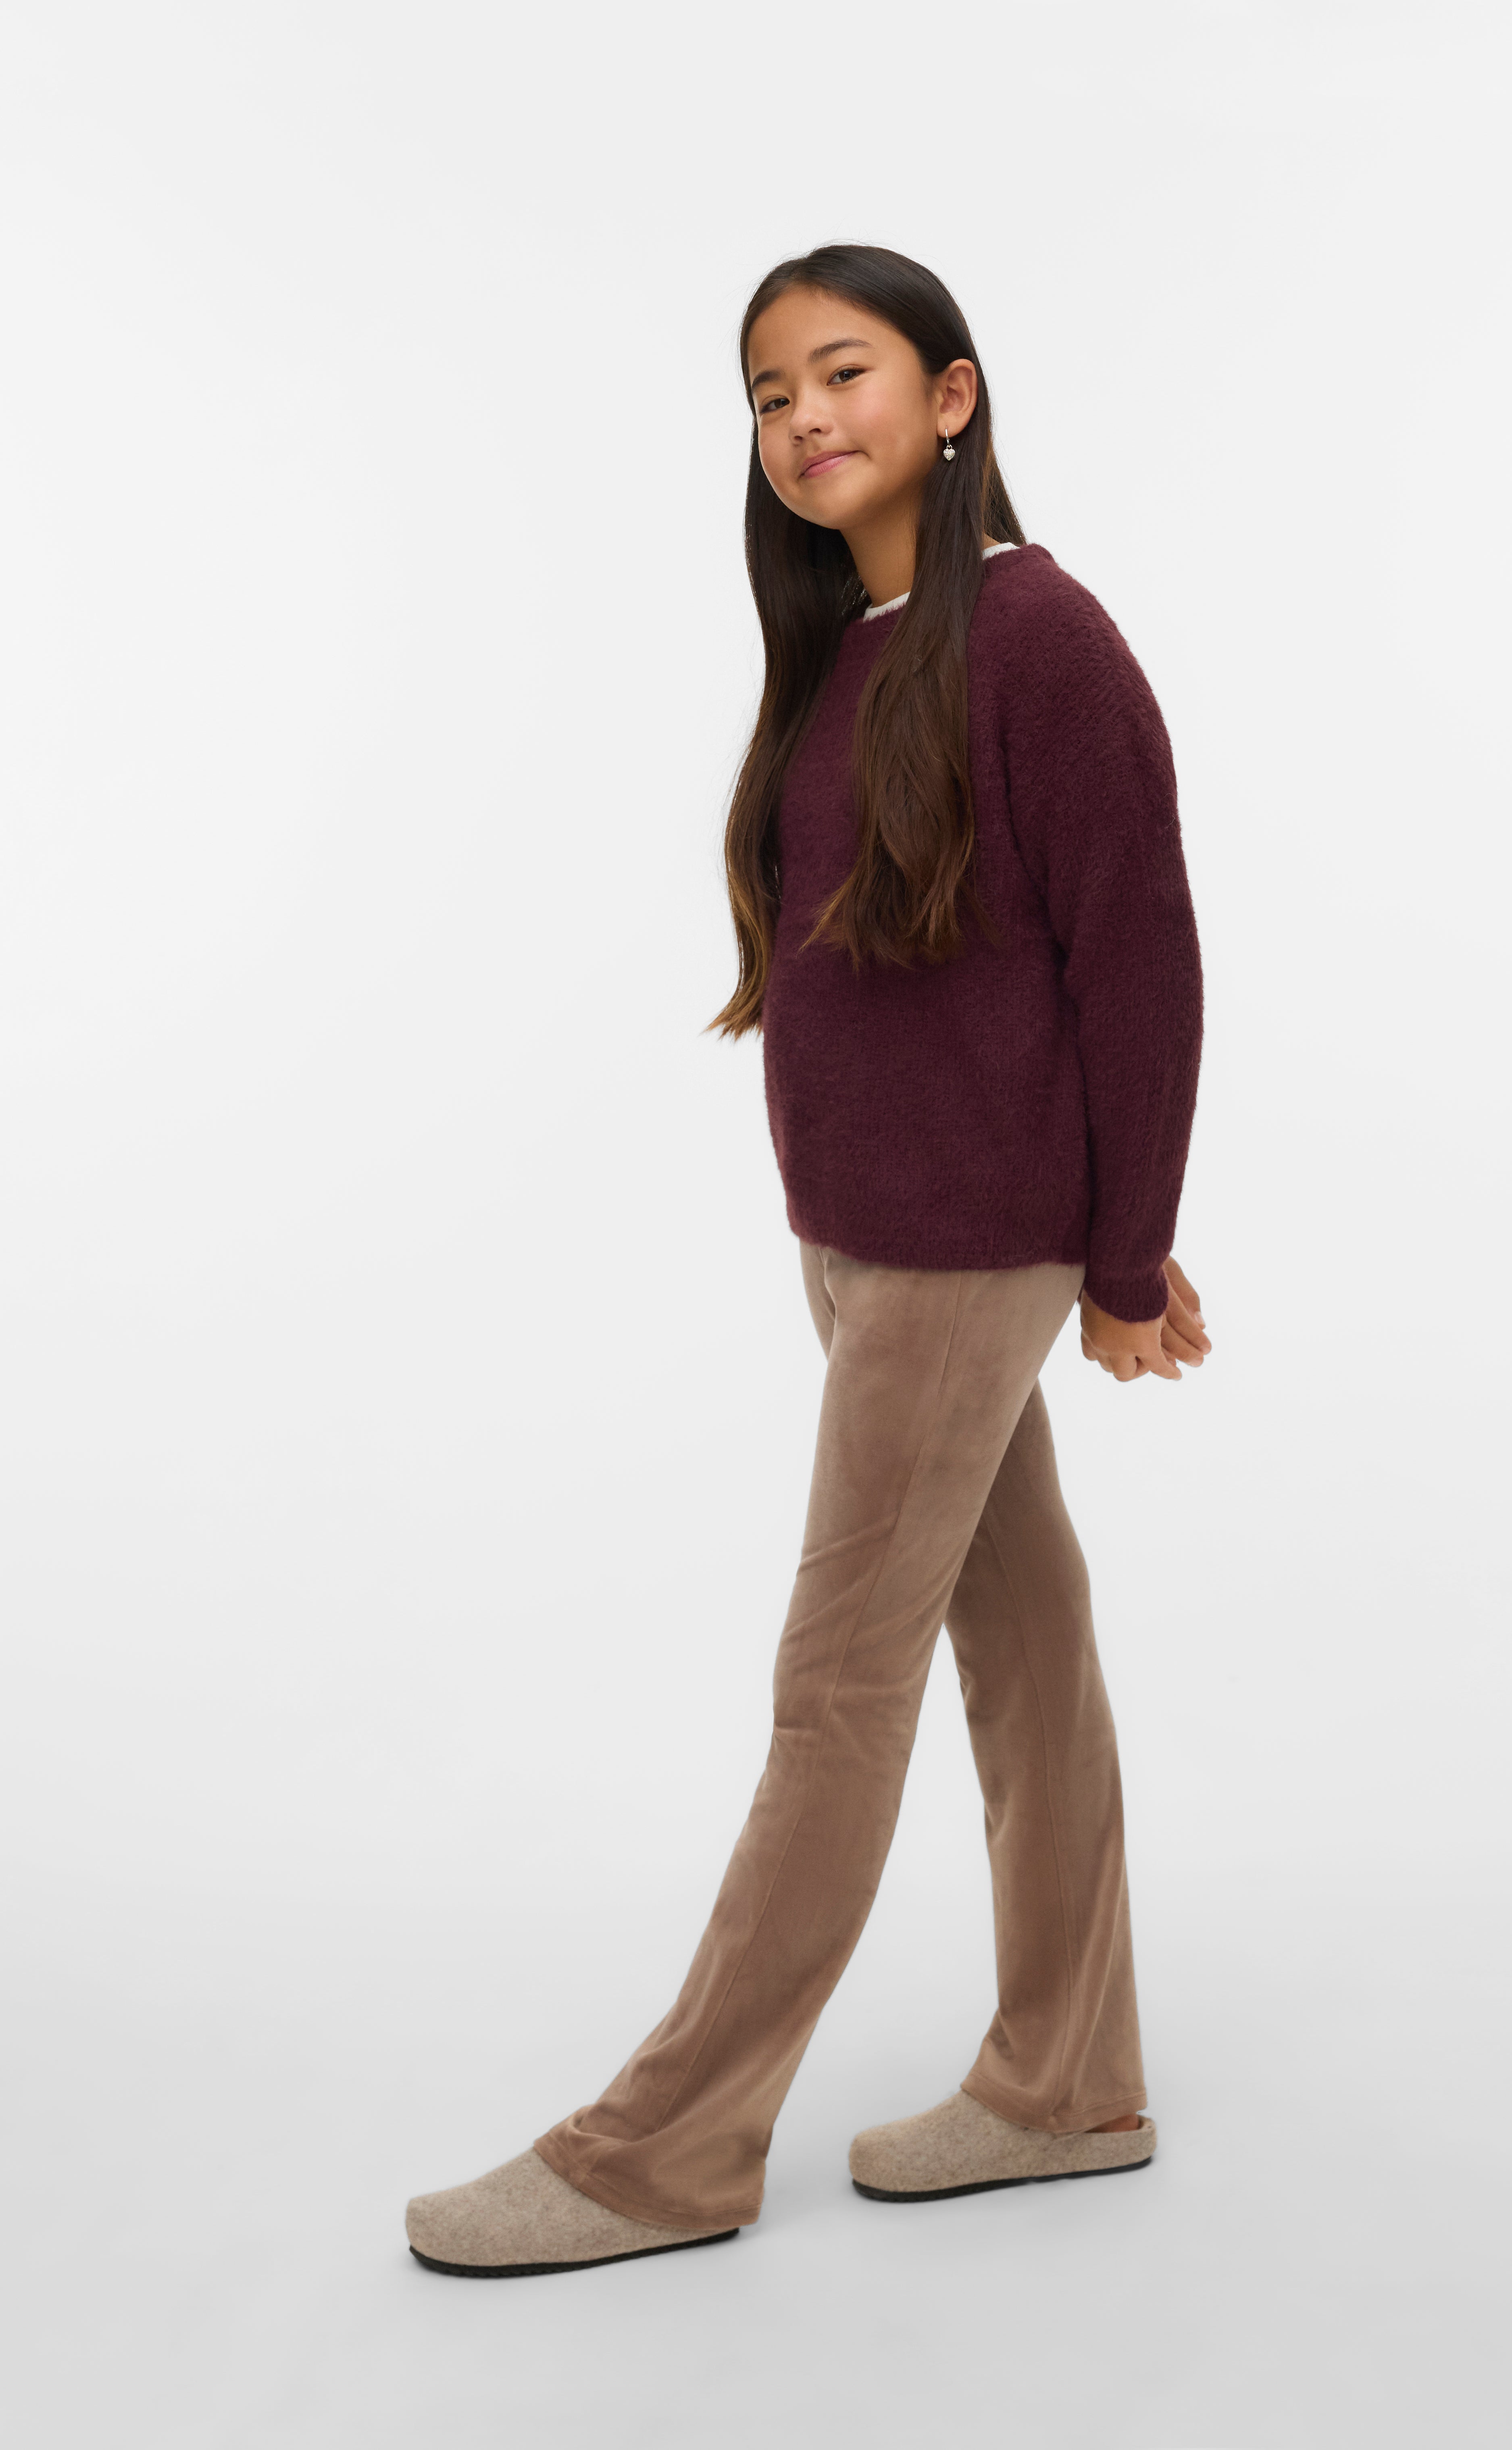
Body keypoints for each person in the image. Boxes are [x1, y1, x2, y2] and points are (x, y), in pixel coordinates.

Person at [404, 242, 1207, 2278]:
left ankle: (662, 2150)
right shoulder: (852, 649)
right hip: (862, 1247)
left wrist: (1126, 1258)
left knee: (833, 1686)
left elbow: (1141, 962)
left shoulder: (1048, 640)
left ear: (953, 396)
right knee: (1024, 1647)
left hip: (963, 1254)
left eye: (842, 374)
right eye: (768, 396)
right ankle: (1072, 2080)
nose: (802, 420)